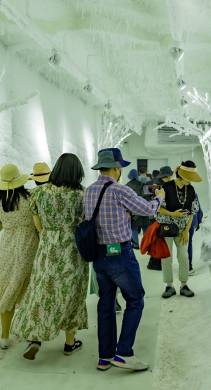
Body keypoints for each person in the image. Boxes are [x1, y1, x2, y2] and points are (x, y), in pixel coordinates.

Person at [83, 148, 165, 372]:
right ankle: (124, 352)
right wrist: (159, 199)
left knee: (105, 304)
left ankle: (105, 357)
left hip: (98, 256)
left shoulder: (89, 191)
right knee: (135, 299)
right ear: (117, 169)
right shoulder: (120, 191)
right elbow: (148, 209)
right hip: (119, 253)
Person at [11, 153, 89, 360]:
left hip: (48, 249)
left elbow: (38, 226)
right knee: (72, 295)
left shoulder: (39, 193)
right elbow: (85, 221)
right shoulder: (82, 194)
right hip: (73, 250)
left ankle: (35, 338)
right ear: (78, 172)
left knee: (42, 292)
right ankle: (70, 344)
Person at [0, 164, 39, 349]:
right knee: (31, 288)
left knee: (7, 289)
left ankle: (4, 337)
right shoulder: (31, 196)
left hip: (8, 249)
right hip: (31, 246)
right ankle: (33, 335)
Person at [155, 161, 203, 298]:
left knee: (183, 256)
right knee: (166, 257)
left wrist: (186, 230)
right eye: (189, 177)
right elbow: (158, 207)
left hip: (183, 228)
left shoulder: (191, 189)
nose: (190, 181)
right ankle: (169, 286)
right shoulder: (167, 186)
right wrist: (173, 214)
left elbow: (193, 210)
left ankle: (184, 284)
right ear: (182, 175)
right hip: (167, 227)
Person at [146, 166, 174, 271]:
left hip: (153, 216)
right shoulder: (159, 186)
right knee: (158, 240)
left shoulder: (158, 184)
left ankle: (155, 263)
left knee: (158, 240)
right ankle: (154, 264)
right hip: (157, 217)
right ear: (168, 176)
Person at [125, 169, 151, 250]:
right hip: (143, 210)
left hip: (133, 211)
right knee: (145, 227)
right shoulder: (144, 185)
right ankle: (146, 245)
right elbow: (148, 198)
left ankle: (135, 244)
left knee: (134, 228)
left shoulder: (126, 187)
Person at [187, 194, 204, 275]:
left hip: (180, 221)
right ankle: (189, 266)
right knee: (189, 242)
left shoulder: (176, 191)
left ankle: (183, 265)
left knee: (181, 244)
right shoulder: (193, 193)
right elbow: (198, 208)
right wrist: (198, 221)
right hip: (192, 221)